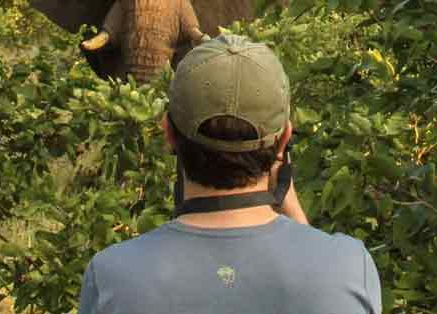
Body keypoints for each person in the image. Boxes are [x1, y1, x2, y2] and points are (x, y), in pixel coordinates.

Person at [78, 34, 382, 314]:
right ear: (285, 139)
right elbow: (315, 274)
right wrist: (293, 210)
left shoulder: (112, 276)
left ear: (168, 132)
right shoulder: (349, 266)